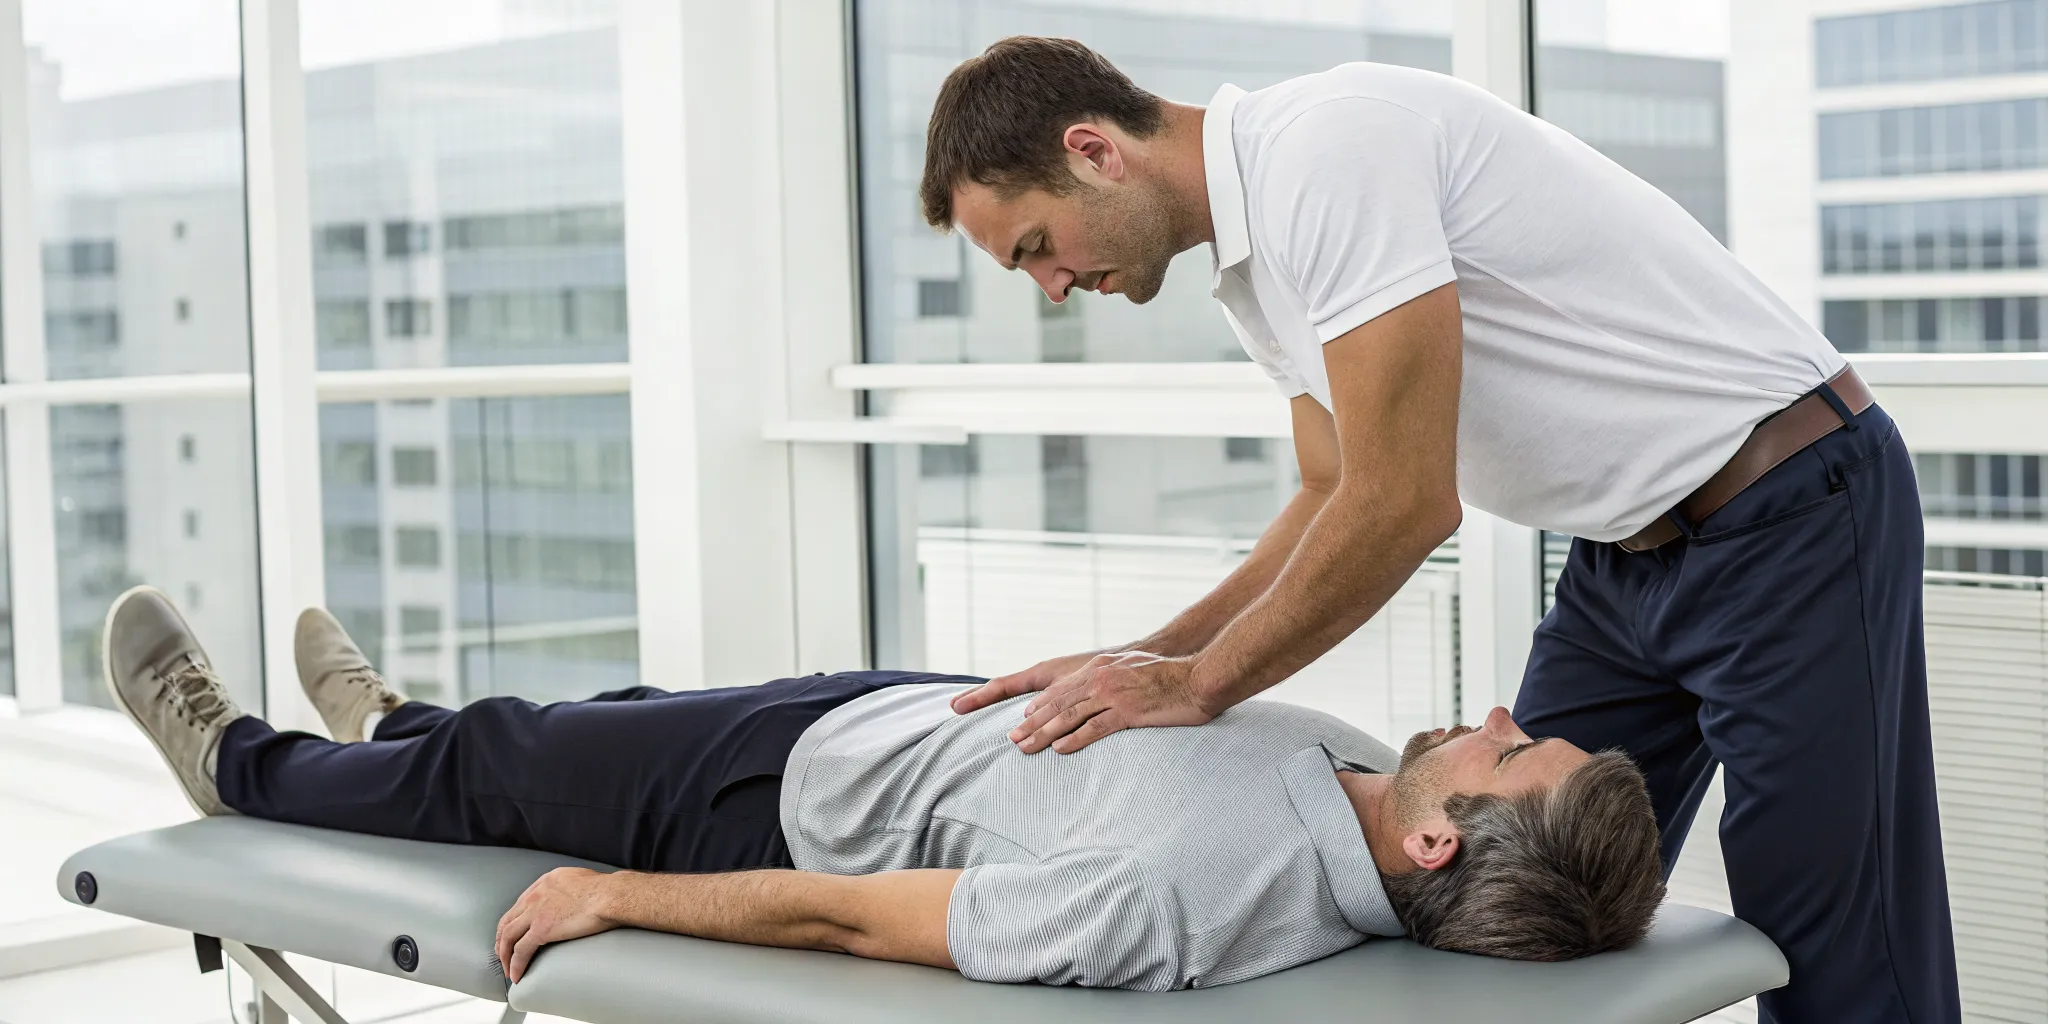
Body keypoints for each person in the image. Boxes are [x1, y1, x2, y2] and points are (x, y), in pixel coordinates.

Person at [920, 36, 1958, 1023]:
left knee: (1834, 940)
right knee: (1498, 890)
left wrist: (1194, 686)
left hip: (1789, 514)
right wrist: (1147, 657)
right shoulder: (1250, 278)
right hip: (1618, 560)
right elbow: (1326, 495)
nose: (1053, 287)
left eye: (1036, 248)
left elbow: (1402, 502)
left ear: (1092, 151)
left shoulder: (1324, 150)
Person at [101, 585, 1663, 989]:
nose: (1500, 711)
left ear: (1447, 832)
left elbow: (855, 923)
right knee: (555, 727)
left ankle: (238, 762)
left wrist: (613, 897)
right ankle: (403, 733)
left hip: (779, 798)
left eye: (1520, 744)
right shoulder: (1352, 800)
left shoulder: (1168, 903)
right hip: (884, 716)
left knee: (508, 767)